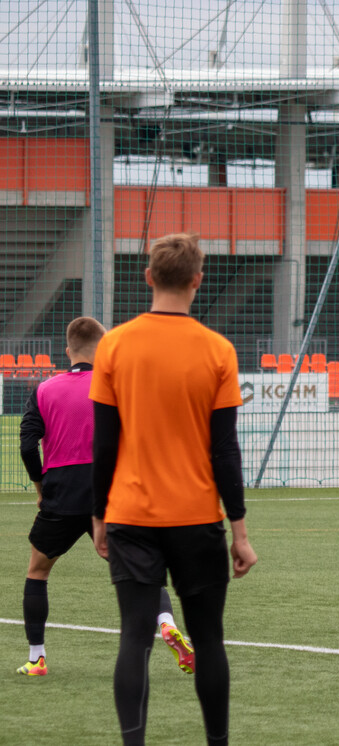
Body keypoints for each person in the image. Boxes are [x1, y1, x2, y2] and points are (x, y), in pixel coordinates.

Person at [90, 233, 257, 746]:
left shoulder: (114, 345)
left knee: (134, 639)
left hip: (131, 517)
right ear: (197, 280)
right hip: (196, 520)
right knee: (208, 640)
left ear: (148, 277)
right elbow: (225, 451)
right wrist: (240, 532)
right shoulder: (217, 350)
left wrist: (99, 518)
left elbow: (104, 444)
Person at [17, 317, 194, 677]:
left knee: (38, 572)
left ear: (68, 351)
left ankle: (37, 658)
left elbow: (26, 446)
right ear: (105, 348)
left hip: (61, 493)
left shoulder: (44, 390)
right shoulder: (119, 386)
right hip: (112, 492)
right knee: (142, 569)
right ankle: (164, 621)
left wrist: (40, 488)